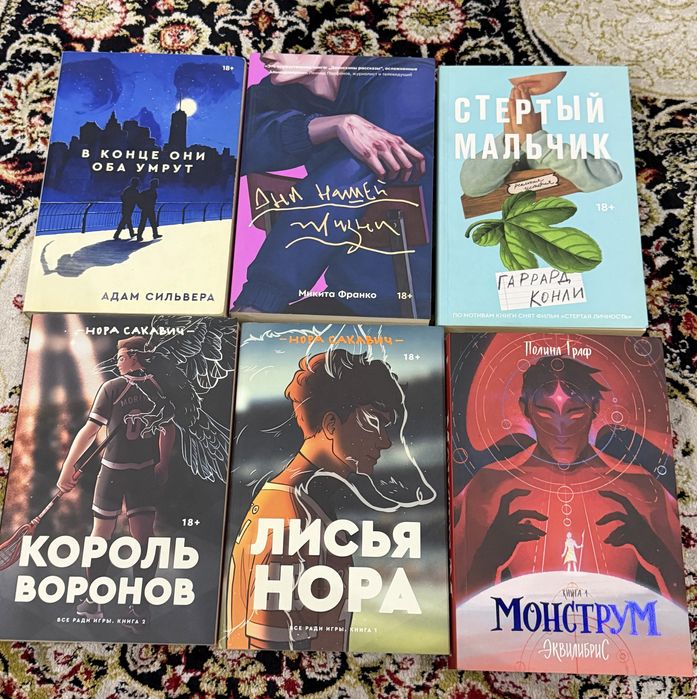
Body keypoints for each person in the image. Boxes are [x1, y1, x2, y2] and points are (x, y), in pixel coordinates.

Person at [226, 348, 425, 650]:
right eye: (374, 423)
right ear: (331, 424)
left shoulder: (300, 503)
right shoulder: (292, 520)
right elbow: (270, 654)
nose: (385, 441)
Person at [453, 356, 685, 606]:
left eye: (575, 411)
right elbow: (455, 601)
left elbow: (682, 601)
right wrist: (488, 558)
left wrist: (657, 554)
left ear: (595, 407)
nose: (560, 427)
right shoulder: (490, 485)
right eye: (546, 411)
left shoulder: (639, 485)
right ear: (525, 409)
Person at [233, 53, 434, 319]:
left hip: (424, 309)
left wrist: (262, 297)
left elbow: (344, 178)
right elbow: (224, 147)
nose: (266, 54)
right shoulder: (286, 90)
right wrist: (325, 126)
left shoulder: (411, 75)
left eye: (282, 42)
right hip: (347, 301)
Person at [56, 336, 175, 625]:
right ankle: (140, 608)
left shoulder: (112, 387)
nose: (118, 362)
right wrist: (163, 462)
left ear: (134, 357)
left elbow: (89, 431)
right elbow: (169, 428)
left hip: (113, 472)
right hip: (144, 472)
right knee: (144, 536)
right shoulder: (156, 387)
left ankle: (93, 601)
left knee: (101, 533)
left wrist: (67, 468)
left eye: (121, 357)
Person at [460, 71, 623, 199]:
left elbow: (610, 176)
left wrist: (537, 141)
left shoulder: (594, 92)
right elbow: (472, 186)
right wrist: (510, 145)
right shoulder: (505, 105)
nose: (526, 72)